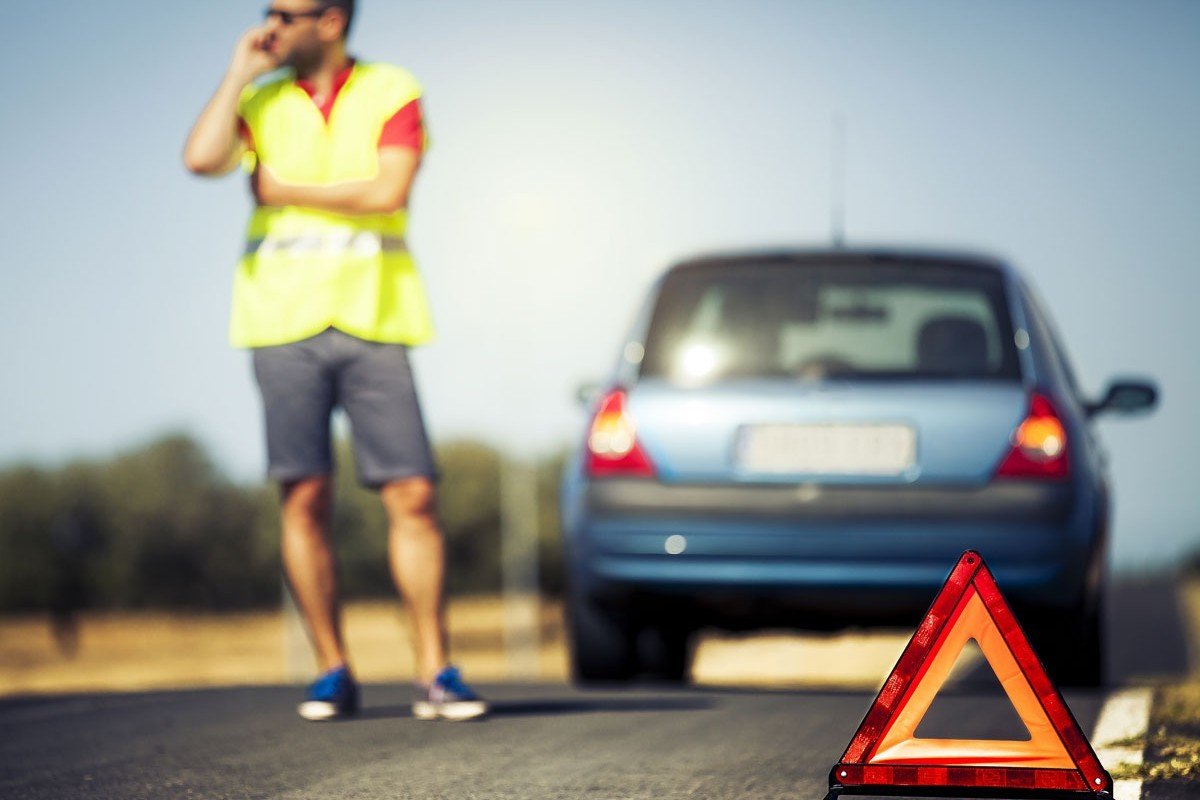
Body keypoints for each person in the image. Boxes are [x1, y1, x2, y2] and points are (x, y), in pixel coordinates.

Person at [183, 0, 486, 722]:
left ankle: (435, 671)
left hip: (376, 317)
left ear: (332, 20)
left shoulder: (391, 90)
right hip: (279, 321)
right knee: (304, 496)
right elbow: (200, 159)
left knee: (413, 494)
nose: (272, 25)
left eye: (286, 14)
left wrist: (284, 189)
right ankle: (331, 671)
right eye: (268, 14)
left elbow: (389, 191)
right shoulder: (260, 99)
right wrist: (236, 73)